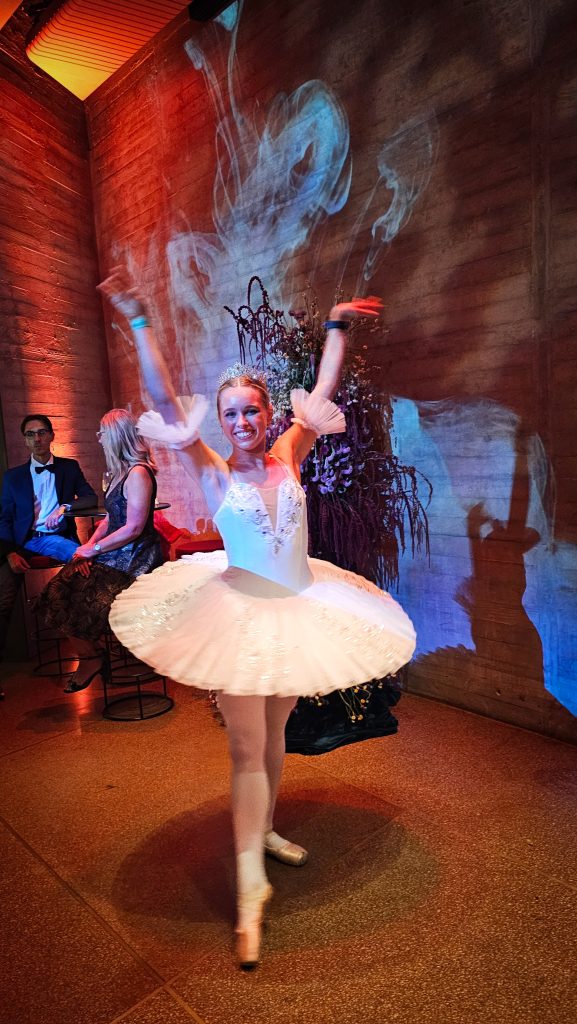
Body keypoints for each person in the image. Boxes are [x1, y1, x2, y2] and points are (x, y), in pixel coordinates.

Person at [98, 268, 416, 970]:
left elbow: (323, 390)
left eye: (251, 411)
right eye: (230, 414)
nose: (242, 423)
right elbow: (162, 399)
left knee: (276, 732)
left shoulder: (288, 453)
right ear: (220, 421)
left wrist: (336, 327)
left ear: (268, 413)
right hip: (238, 617)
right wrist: (140, 319)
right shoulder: (213, 469)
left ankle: (265, 830)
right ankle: (250, 887)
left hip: (298, 610)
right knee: (246, 747)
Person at [34, 409, 164, 692]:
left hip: (135, 558)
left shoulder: (138, 473)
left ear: (116, 436)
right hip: (115, 553)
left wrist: (94, 550)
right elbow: (108, 520)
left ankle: (93, 657)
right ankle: (90, 656)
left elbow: (133, 528)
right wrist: (87, 547)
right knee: (54, 592)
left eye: (102, 433)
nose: (99, 438)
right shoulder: (119, 472)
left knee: (72, 594)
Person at [0, 414, 97, 676]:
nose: (37, 439)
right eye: (30, 434)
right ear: (25, 440)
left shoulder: (68, 467)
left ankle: (92, 656)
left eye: (42, 432)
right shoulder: (13, 477)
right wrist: (9, 553)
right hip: (21, 544)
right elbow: (4, 518)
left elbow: (89, 498)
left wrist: (65, 507)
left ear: (52, 435)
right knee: (3, 602)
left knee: (86, 565)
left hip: (56, 539)